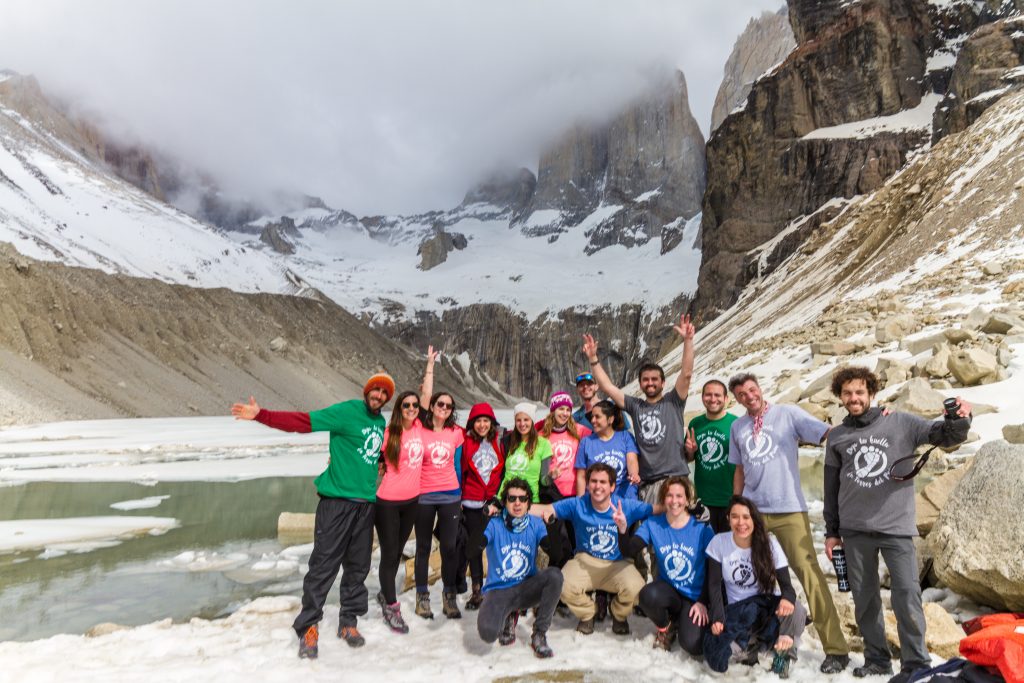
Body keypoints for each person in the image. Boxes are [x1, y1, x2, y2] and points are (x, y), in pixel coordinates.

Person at [824, 366, 971, 683]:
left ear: (871, 393)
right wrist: (831, 533)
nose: (853, 398)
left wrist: (960, 418)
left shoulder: (901, 422)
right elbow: (831, 487)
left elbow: (945, 435)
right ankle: (877, 659)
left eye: (859, 392)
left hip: (896, 528)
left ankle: (915, 662)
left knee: (906, 595)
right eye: (847, 393)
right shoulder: (837, 436)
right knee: (865, 600)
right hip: (854, 530)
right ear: (840, 397)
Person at [230, 372, 393, 657]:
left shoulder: (380, 422)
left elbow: (364, 452)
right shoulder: (346, 412)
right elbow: (303, 422)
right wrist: (261, 415)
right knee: (323, 566)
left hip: (365, 505)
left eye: (384, 393)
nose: (378, 395)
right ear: (366, 390)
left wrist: (379, 461)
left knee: (358, 567)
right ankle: (308, 626)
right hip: (336, 503)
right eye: (375, 390)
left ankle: (348, 622)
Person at [727, 372, 851, 673]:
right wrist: (737, 504)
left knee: (809, 575)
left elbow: (827, 433)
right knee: (754, 578)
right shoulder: (737, 427)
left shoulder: (787, 414)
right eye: (742, 394)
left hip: (789, 510)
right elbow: (739, 469)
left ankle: (836, 649)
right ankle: (760, 637)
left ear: (760, 388)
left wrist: (869, 423)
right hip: (754, 513)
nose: (749, 396)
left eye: (752, 390)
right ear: (737, 399)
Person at [531, 463, 657, 635]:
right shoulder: (578, 504)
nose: (597, 486)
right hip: (585, 561)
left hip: (617, 563)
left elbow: (655, 509)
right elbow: (546, 509)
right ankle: (588, 612)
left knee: (638, 589)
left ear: (612, 486)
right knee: (561, 584)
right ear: (588, 484)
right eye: (594, 481)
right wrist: (513, 507)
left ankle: (618, 613)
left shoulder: (625, 505)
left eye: (603, 482)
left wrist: (681, 507)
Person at [582, 313, 695, 504]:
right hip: (649, 483)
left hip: (677, 478)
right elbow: (608, 387)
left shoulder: (674, 401)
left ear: (663, 383)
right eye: (645, 380)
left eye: (654, 379)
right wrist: (593, 358)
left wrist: (688, 341)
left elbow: (686, 373)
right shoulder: (636, 406)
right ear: (640, 383)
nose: (650, 383)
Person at [703, 496, 807, 678]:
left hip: (766, 611)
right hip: (738, 613)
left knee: (797, 609)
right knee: (718, 652)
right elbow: (713, 585)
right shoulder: (719, 542)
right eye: (735, 517)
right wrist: (718, 618)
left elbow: (788, 589)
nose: (740, 523)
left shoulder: (770, 544)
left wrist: (787, 600)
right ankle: (751, 648)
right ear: (728, 519)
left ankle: (784, 654)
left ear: (754, 519)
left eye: (746, 517)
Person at [620, 476, 714, 655]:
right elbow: (629, 550)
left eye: (679, 496)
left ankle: (685, 621)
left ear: (687, 499)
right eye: (669, 496)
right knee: (648, 595)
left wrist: (703, 601)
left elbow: (713, 568)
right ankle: (666, 627)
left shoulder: (701, 527)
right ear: (663, 499)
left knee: (693, 645)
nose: (674, 501)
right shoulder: (653, 523)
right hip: (669, 592)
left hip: (695, 596)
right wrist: (623, 530)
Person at [476, 478, 564, 659]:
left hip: (526, 588)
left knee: (555, 576)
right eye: (512, 498)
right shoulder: (495, 524)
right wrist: (483, 520)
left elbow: (556, 554)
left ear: (528, 503)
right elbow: (472, 550)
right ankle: (508, 614)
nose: (517, 503)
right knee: (488, 633)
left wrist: (551, 526)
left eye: (523, 499)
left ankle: (539, 633)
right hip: (499, 590)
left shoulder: (535, 523)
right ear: (505, 501)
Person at [414, 351, 466, 620]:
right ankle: (422, 597)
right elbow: (424, 396)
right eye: (440, 404)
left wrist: (460, 494)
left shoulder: (456, 433)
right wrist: (430, 366)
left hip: (450, 496)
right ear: (432, 406)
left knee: (449, 547)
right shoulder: (420, 429)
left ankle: (449, 596)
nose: (444, 408)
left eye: (448, 406)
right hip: (423, 496)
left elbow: (458, 465)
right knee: (423, 547)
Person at [374, 388, 427, 634]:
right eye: (406, 405)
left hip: (412, 502)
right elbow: (368, 454)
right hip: (388, 502)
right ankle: (391, 607)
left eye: (415, 405)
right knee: (389, 554)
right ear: (399, 408)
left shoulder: (420, 427)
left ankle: (385, 594)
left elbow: (427, 396)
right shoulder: (389, 433)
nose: (412, 409)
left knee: (397, 553)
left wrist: (430, 369)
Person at [457, 402, 506, 610]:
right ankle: (477, 589)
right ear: (472, 423)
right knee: (475, 547)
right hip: (472, 502)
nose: (482, 425)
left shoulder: (500, 440)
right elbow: (460, 470)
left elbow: (532, 426)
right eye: (478, 421)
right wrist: (458, 497)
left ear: (492, 423)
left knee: (497, 546)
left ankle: (499, 588)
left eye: (486, 420)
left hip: (494, 503)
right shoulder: (466, 441)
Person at [684, 379, 737, 532]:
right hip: (703, 500)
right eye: (708, 395)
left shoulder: (736, 423)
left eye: (717, 395)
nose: (713, 399)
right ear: (702, 398)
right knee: (706, 544)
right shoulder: (695, 424)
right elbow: (689, 459)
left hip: (730, 500)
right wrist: (690, 451)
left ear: (726, 398)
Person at [574, 399, 640, 498]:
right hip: (596, 500)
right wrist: (580, 502)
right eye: (592, 417)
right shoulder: (586, 442)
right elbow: (581, 476)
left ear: (610, 419)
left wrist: (633, 474)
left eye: (597, 417)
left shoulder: (625, 436)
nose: (592, 420)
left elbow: (631, 460)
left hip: (625, 497)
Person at [499, 402, 552, 505]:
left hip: (530, 501)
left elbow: (544, 481)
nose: (522, 424)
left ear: (532, 421)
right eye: (518, 420)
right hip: (505, 499)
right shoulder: (507, 441)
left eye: (526, 419)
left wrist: (551, 477)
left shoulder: (543, 444)